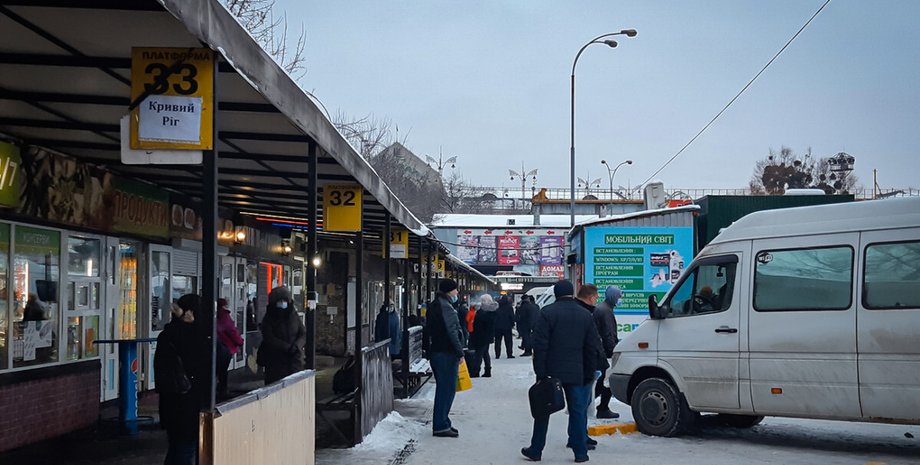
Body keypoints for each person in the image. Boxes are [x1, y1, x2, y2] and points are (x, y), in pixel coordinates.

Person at [522, 280, 602, 463]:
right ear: (572, 293)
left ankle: (536, 450)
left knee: (543, 411)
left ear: (556, 294)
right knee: (577, 412)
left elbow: (540, 345)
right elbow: (591, 347)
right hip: (577, 372)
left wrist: (540, 373)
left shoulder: (547, 313)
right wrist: (590, 372)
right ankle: (580, 452)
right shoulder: (585, 315)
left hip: (552, 372)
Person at [155, 294, 208, 465]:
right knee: (186, 448)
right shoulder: (193, 335)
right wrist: (189, 326)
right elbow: (212, 355)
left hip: (171, 399)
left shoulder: (167, 334)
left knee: (176, 447)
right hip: (188, 401)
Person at [423, 278, 465, 438]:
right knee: (446, 389)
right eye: (455, 290)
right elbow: (452, 331)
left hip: (438, 351)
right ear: (449, 291)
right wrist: (460, 352)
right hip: (446, 352)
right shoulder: (445, 307)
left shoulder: (436, 305)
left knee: (445, 389)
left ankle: (443, 422)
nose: (457, 293)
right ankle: (440, 425)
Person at [257, 286, 306, 385]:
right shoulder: (269, 318)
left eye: (285, 300)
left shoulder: (294, 316)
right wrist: (286, 347)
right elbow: (269, 337)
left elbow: (303, 333)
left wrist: (297, 346)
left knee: (294, 385)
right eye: (280, 301)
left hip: (294, 360)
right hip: (275, 360)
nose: (283, 303)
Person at [592, 286, 622, 419]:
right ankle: (602, 407)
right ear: (613, 296)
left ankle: (589, 403)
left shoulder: (603, 308)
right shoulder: (606, 311)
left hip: (600, 350)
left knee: (601, 382)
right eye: (618, 296)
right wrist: (613, 350)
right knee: (607, 381)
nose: (619, 299)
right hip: (604, 352)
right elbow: (608, 334)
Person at [216, 298, 244, 398]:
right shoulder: (224, 316)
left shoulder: (214, 315)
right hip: (226, 347)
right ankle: (222, 391)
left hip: (218, 347)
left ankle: (218, 389)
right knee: (222, 371)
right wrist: (240, 342)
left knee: (218, 370)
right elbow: (231, 330)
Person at [469, 294, 497, 378]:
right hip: (487, 336)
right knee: (485, 353)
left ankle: (475, 371)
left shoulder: (483, 312)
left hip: (481, 336)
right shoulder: (492, 310)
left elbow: (478, 325)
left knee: (479, 354)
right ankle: (487, 370)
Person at [493, 295, 516, 359]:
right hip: (507, 326)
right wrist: (513, 323)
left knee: (497, 341)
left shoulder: (497, 307)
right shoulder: (509, 307)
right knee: (508, 341)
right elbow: (512, 317)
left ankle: (497, 354)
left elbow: (494, 316)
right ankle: (509, 354)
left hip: (497, 327)